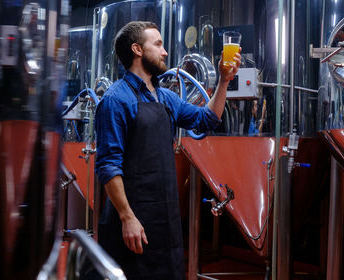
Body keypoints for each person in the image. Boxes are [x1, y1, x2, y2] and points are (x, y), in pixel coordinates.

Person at [94, 21, 241, 280]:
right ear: (137, 49)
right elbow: (108, 166)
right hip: (131, 221)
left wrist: (224, 81)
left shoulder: (165, 97)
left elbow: (207, 119)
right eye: (158, 44)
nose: (164, 52)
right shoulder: (116, 99)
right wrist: (127, 217)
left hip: (165, 220)